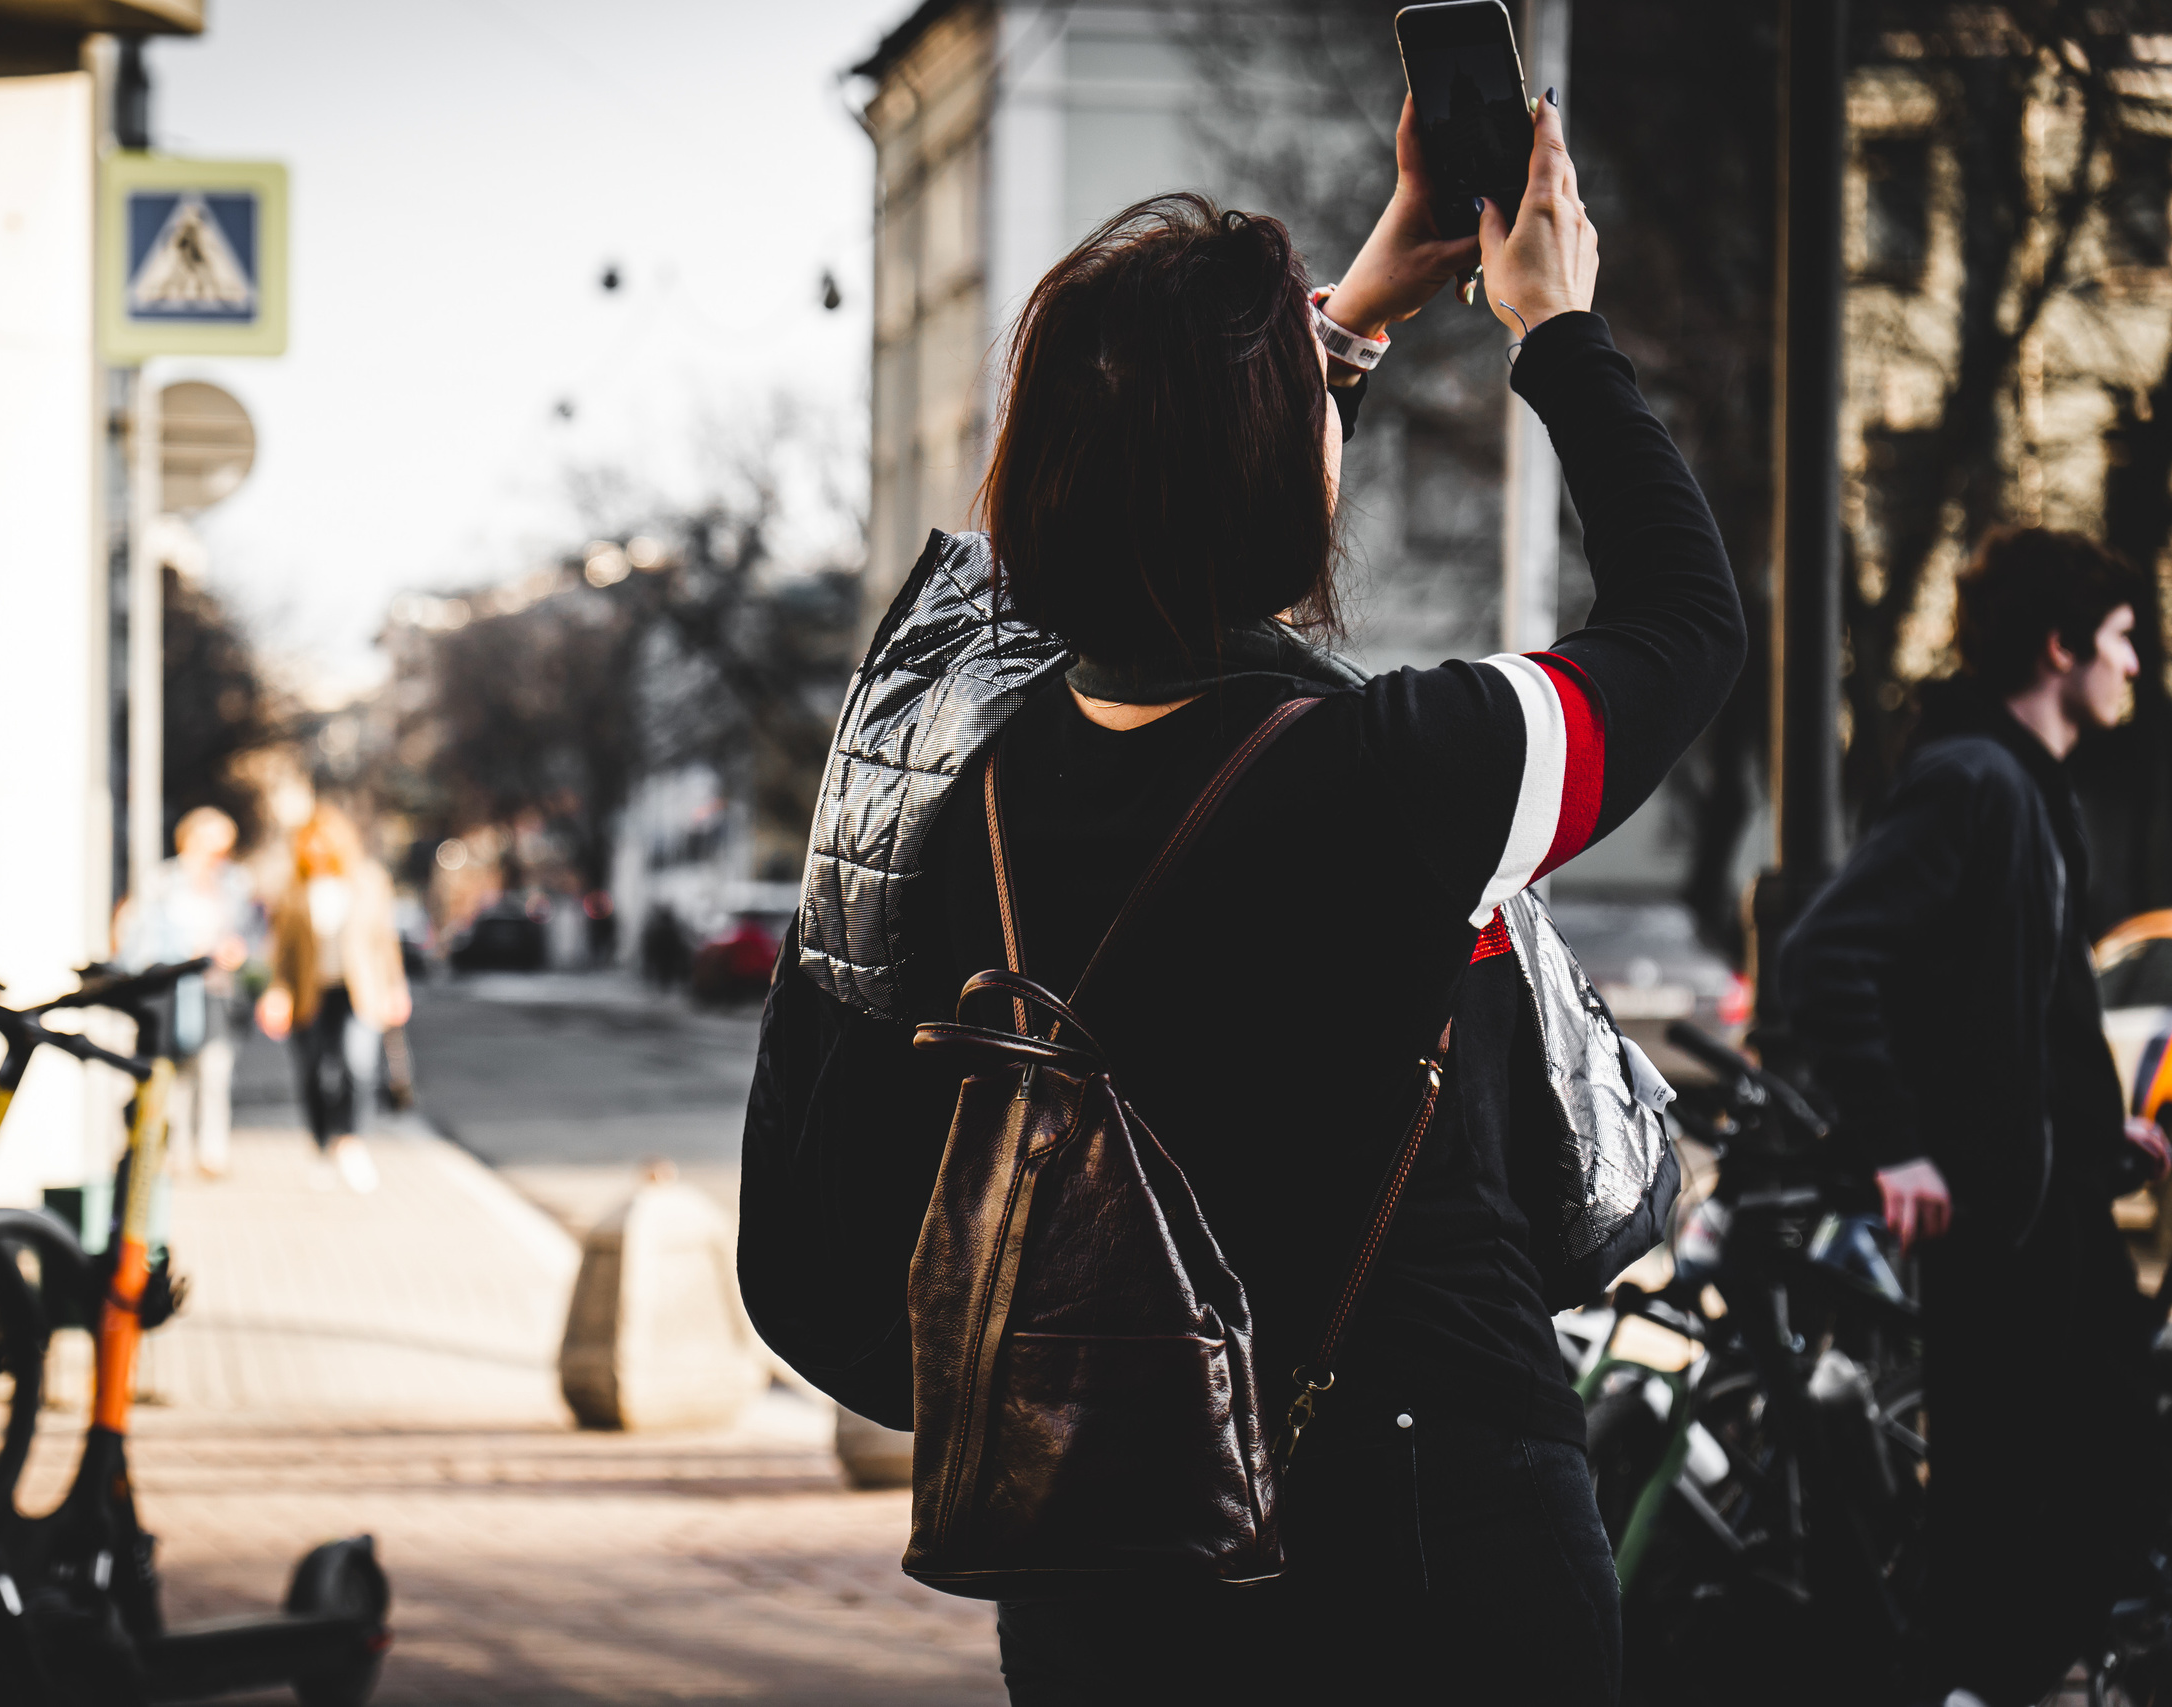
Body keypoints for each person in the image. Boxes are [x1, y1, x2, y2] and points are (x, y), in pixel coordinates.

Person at [740, 96, 1743, 1702]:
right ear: (1288, 478)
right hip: (1429, 1541)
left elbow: (1106, 542)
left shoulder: (961, 785)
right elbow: (1687, 622)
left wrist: (1337, 328)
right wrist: (1557, 328)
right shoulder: (1406, 773)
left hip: (1096, 1545)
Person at [1780, 528, 2168, 1707]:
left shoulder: (2025, 787)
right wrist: (1899, 1146)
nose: (2135, 664)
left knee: (2075, 1479)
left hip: (2047, 1207)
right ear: (2059, 647)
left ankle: (2031, 1675)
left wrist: (2100, 1135)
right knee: (2012, 1509)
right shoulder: (1974, 780)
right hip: (2004, 1229)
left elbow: (2009, 1022)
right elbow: (1825, 955)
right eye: (2120, 640)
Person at [256, 803, 409, 1194]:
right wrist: (276, 992)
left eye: (324, 842)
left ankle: (351, 1141)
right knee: (312, 1072)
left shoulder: (368, 881)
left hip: (358, 991)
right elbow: (281, 951)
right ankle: (321, 1145)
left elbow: (385, 940)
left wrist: (396, 988)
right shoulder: (292, 889)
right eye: (310, 843)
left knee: (358, 1066)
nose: (317, 850)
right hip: (309, 992)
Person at [115, 805, 257, 1178]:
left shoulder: (236, 882)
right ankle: (175, 1151)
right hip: (173, 991)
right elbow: (137, 937)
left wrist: (238, 951)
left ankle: (212, 1153)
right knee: (174, 1073)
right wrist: (181, 955)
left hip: (217, 990)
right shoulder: (162, 882)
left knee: (215, 1069)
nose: (220, 855)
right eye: (213, 845)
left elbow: (253, 932)